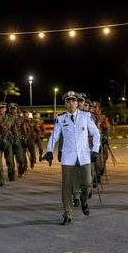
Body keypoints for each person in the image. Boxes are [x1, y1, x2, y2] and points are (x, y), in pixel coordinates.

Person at [45, 91, 101, 225]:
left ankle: (84, 201)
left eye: (74, 101)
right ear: (65, 104)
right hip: (68, 157)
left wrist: (95, 150)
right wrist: (49, 151)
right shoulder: (61, 118)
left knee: (87, 183)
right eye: (68, 101)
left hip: (84, 155)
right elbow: (54, 136)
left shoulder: (86, 116)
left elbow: (95, 133)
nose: (71, 103)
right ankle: (68, 213)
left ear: (77, 103)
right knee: (67, 186)